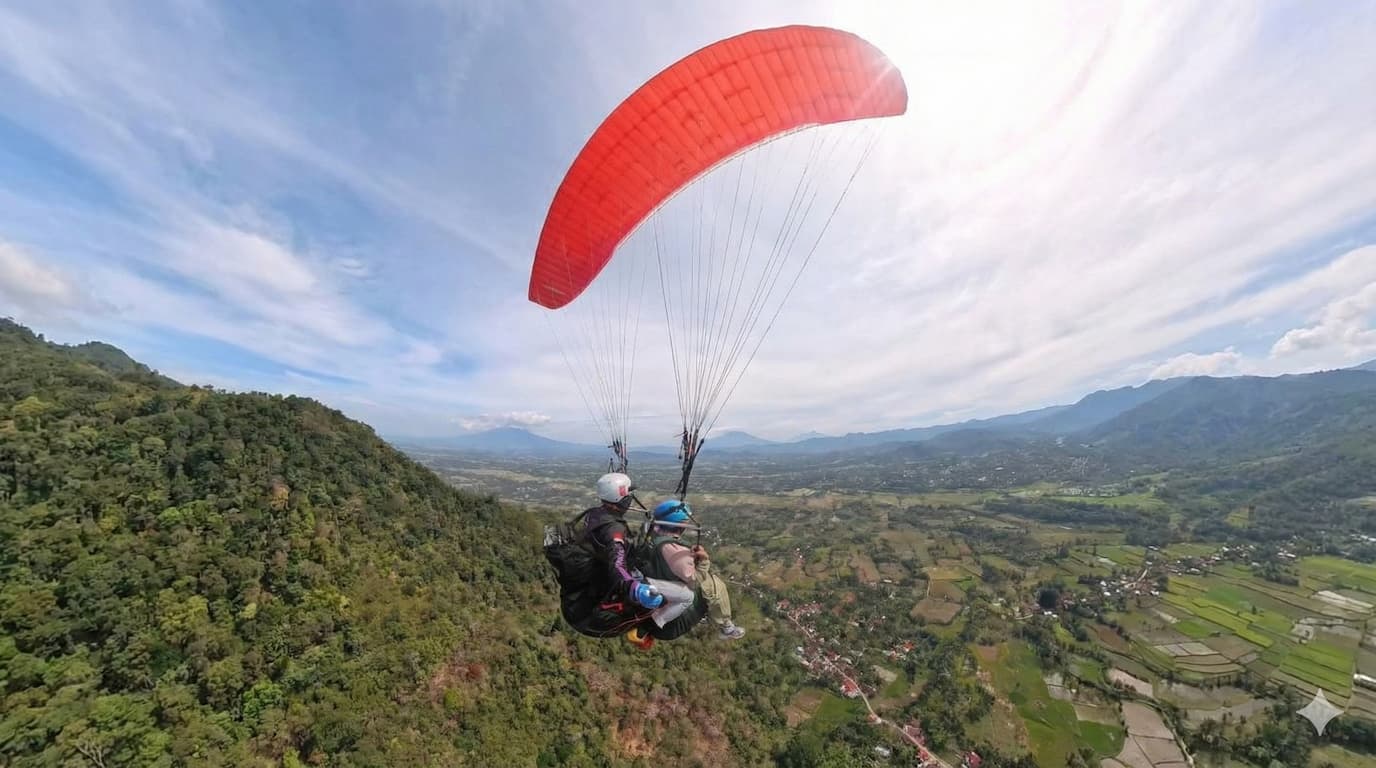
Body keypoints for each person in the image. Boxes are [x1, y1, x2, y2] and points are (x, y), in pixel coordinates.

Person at [635, 499, 746, 641]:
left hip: (654, 588)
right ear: (680, 525)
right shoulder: (674, 551)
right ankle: (726, 626)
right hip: (669, 621)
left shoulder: (650, 534)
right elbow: (694, 582)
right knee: (713, 584)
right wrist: (704, 561)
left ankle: (725, 624)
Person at [583, 472, 664, 613]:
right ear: (618, 498)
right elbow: (617, 564)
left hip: (597, 565)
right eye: (627, 495)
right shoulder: (614, 529)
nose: (630, 499)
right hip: (605, 578)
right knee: (659, 594)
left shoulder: (595, 513)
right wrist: (634, 589)